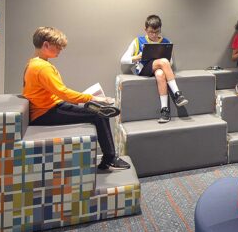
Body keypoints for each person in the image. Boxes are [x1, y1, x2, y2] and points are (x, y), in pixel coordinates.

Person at [22, 27, 129, 170]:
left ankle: (91, 109)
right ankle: (109, 158)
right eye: (58, 46)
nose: (60, 50)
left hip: (49, 107)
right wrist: (94, 98)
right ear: (46, 45)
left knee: (96, 111)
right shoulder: (43, 68)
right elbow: (63, 93)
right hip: (45, 112)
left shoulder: (33, 63)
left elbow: (58, 93)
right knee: (99, 114)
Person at [120, 14, 189, 124]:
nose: (154, 35)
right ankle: (177, 94)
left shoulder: (165, 41)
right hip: (143, 69)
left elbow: (170, 62)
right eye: (151, 32)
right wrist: (137, 57)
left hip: (157, 68)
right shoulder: (138, 41)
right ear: (145, 30)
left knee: (160, 74)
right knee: (163, 62)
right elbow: (123, 60)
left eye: (157, 32)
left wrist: (163, 60)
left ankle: (164, 111)